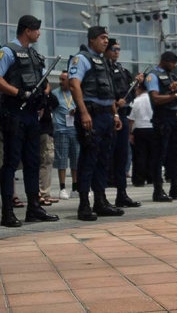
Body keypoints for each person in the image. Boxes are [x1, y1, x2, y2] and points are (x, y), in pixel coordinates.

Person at [0, 15, 59, 227]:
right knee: (10, 164)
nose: (39, 33)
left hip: (32, 115)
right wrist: (18, 92)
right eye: (37, 30)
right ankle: (7, 212)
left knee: (33, 162)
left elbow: (44, 82)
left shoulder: (35, 55)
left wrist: (43, 93)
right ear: (27, 30)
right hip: (14, 113)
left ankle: (34, 208)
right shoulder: (7, 51)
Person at [68, 26, 124, 221]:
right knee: (88, 160)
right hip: (91, 116)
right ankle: (84, 204)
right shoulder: (81, 58)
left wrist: (115, 115)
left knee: (103, 161)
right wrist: (83, 112)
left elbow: (109, 94)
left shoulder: (105, 62)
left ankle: (100, 201)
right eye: (102, 38)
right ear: (92, 39)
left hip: (106, 116)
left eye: (107, 38)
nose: (105, 41)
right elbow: (74, 85)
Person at [145, 51, 177, 202]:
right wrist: (175, 96)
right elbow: (155, 98)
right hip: (163, 118)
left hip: (176, 118)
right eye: (173, 62)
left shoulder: (172, 76)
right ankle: (158, 190)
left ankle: (175, 187)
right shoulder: (153, 75)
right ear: (165, 61)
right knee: (160, 156)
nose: (174, 65)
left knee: (176, 155)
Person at [104, 38, 141, 207]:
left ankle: (122, 193)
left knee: (122, 156)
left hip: (123, 115)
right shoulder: (102, 68)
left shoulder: (121, 69)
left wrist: (136, 84)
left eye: (119, 48)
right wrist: (114, 102)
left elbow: (130, 94)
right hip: (109, 115)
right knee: (105, 156)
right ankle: (101, 195)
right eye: (113, 48)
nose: (116, 51)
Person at [51, 71, 79, 200]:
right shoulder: (55, 94)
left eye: (64, 79)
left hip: (75, 130)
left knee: (76, 160)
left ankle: (75, 187)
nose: (61, 82)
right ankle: (62, 188)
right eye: (60, 79)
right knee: (61, 160)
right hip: (61, 130)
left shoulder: (76, 92)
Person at [128, 85, 154, 187]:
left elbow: (131, 119)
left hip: (139, 128)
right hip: (152, 128)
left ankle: (139, 179)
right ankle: (151, 177)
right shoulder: (153, 99)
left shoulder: (136, 101)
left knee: (139, 155)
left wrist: (129, 133)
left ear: (139, 89)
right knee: (153, 155)